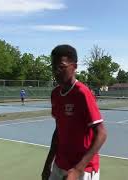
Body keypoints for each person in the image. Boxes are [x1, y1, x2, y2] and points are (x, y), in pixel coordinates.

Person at [42, 45, 107, 180]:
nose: (56, 71)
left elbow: (101, 133)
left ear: (74, 66)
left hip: (83, 169)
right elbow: (58, 131)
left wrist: (78, 169)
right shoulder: (55, 94)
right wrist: (48, 164)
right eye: (54, 67)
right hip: (60, 165)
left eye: (61, 67)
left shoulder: (82, 93)